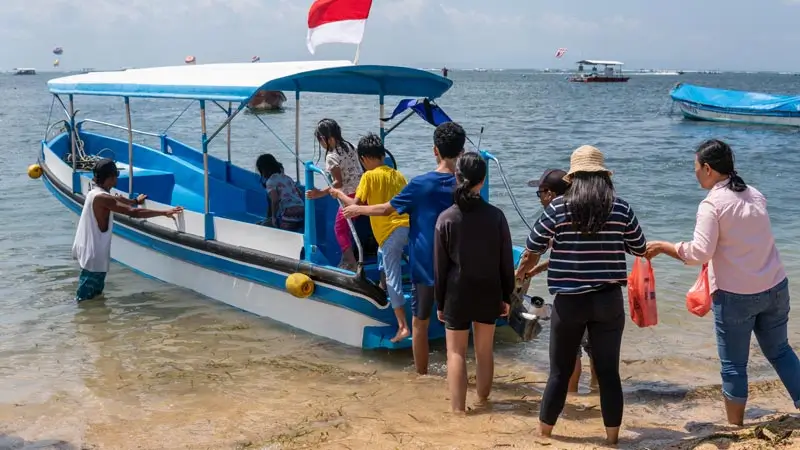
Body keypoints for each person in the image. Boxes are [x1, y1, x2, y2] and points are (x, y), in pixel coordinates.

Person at [645, 139, 799, 426]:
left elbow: (699, 253)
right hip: (776, 286)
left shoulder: (712, 204)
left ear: (708, 168)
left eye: (695, 168)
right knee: (780, 351)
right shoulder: (754, 193)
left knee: (733, 366)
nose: (694, 174)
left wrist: (665, 246)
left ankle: (735, 427)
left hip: (736, 296)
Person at [515, 145, 647, 444]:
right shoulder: (621, 207)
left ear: (573, 178)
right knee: (609, 374)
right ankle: (612, 440)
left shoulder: (558, 208)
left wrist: (520, 275)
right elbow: (639, 247)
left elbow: (532, 250)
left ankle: (544, 435)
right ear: (604, 177)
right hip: (608, 301)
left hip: (569, 303)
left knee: (559, 374)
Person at [342, 121, 465, 374]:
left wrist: (357, 209)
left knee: (420, 323)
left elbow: (386, 208)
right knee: (457, 331)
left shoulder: (421, 184)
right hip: (458, 266)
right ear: (462, 151)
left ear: (435, 150)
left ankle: (421, 377)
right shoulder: (465, 186)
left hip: (425, 265)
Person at [433, 152, 514, 413]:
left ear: (457, 177)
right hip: (489, 290)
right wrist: (507, 295)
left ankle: (458, 411)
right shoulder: (496, 216)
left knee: (455, 353)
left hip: (456, 292)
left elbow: (440, 267)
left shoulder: (446, 218)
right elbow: (505, 261)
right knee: (484, 351)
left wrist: (439, 300)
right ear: (483, 180)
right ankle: (484, 401)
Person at [328, 133, 410, 342]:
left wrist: (337, 194)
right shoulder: (397, 175)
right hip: (405, 228)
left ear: (364, 159)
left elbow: (356, 204)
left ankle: (402, 326)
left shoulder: (369, 176)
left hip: (390, 233)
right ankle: (381, 291)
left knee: (392, 276)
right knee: (383, 258)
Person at [72, 158, 183, 302]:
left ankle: (93, 322)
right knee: (84, 299)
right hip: (94, 256)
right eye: (115, 176)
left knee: (95, 298)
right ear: (111, 178)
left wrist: (135, 201)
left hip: (89, 252)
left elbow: (115, 200)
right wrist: (164, 212)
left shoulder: (94, 193)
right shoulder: (104, 198)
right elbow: (133, 212)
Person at [527, 169, 597, 392]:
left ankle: (572, 396)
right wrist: (537, 270)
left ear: (550, 193)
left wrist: (520, 274)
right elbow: (572, 251)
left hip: (572, 295)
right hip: (600, 292)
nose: (540, 199)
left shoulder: (556, 213)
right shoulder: (587, 210)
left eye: (540, 193)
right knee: (596, 349)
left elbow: (531, 253)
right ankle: (597, 393)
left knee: (571, 351)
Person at [306, 119, 363, 270]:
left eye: (320, 139)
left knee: (339, 228)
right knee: (349, 226)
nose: (320, 143)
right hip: (362, 193)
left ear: (327, 139)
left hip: (348, 196)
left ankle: (352, 262)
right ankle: (346, 259)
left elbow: (338, 182)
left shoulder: (331, 156)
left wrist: (320, 193)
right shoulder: (351, 146)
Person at [256, 153, 304, 232]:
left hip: (288, 214)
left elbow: (275, 200)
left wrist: (274, 217)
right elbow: (300, 193)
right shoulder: (288, 178)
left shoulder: (270, 182)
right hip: (302, 211)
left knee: (262, 226)